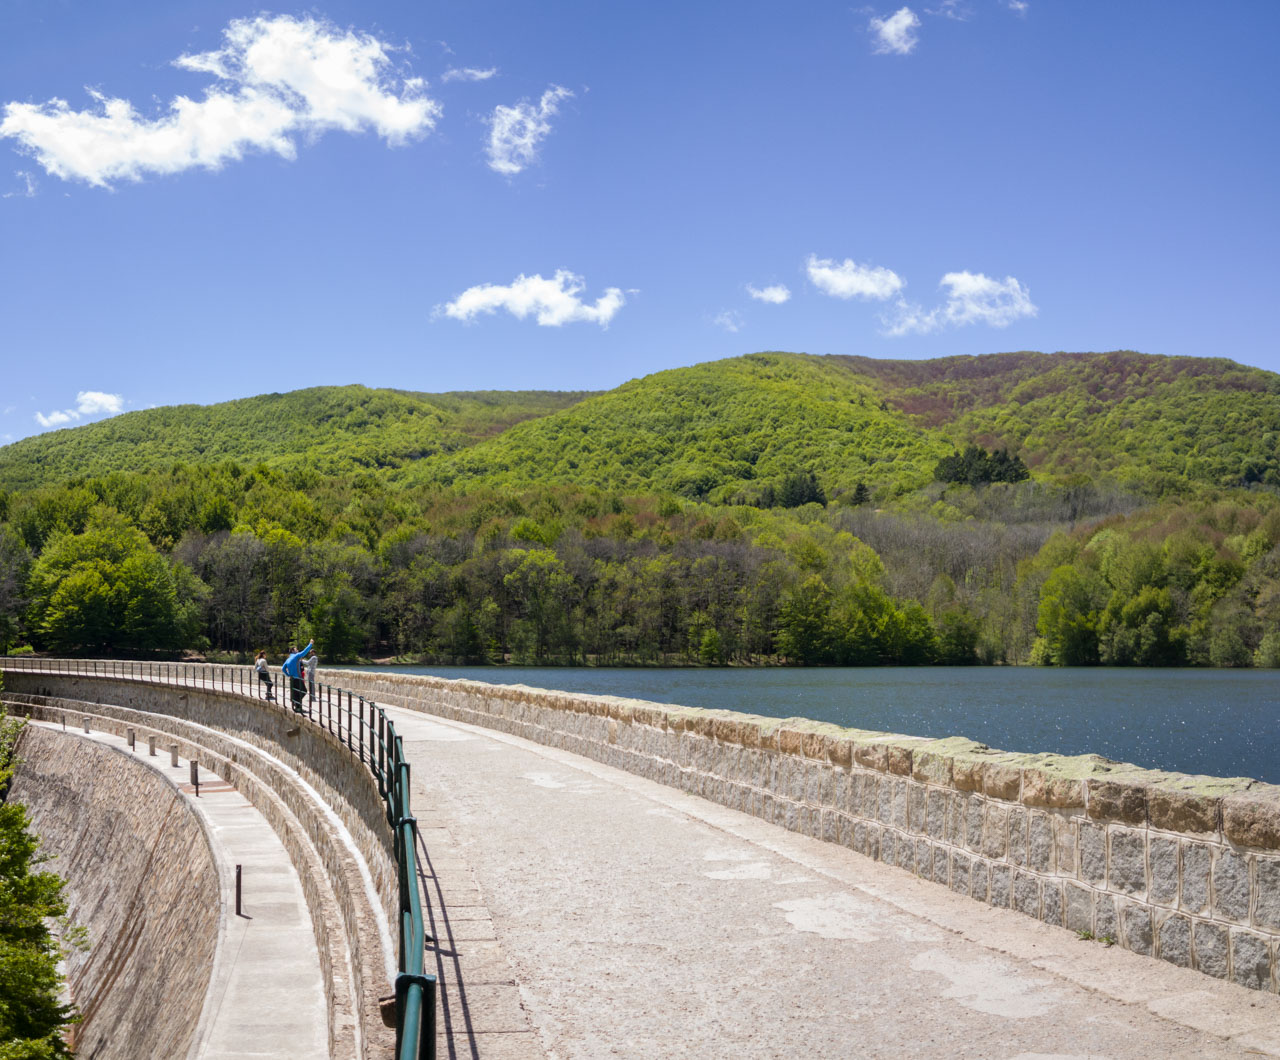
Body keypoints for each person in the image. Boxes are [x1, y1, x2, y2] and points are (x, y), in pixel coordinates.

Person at [282, 640, 313, 714]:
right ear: (293, 650)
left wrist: (288, 675)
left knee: (296, 693)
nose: (297, 650)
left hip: (292, 679)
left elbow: (283, 668)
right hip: (297, 678)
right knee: (303, 691)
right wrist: (310, 644)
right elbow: (304, 652)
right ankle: (297, 705)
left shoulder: (288, 659)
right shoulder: (296, 656)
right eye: (296, 649)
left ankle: (297, 706)